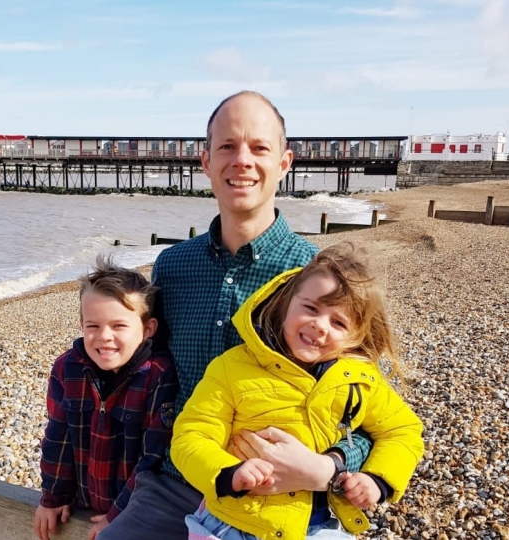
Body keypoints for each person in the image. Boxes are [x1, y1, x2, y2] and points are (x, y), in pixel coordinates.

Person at [97, 91, 374, 540]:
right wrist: (99, 492)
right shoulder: (173, 266)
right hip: (179, 481)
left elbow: (365, 408)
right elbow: (151, 382)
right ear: (205, 162)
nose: (241, 160)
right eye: (227, 146)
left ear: (285, 163)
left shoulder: (316, 280)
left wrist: (327, 468)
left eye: (259, 147)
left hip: (279, 495)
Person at [172, 242, 425, 539]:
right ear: (286, 303)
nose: (319, 325)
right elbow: (191, 434)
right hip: (236, 522)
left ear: (357, 334)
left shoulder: (360, 379)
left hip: (317, 524)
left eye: (338, 322)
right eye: (311, 308)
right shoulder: (232, 367)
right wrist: (228, 472)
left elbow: (403, 431)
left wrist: (377, 479)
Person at [34, 256, 178, 540]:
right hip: (83, 501)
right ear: (81, 324)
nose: (104, 337)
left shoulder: (158, 376)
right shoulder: (68, 368)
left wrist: (120, 513)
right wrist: (53, 496)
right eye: (93, 326)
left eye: (119, 326)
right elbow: (57, 438)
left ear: (148, 329)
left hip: (130, 509)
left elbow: (153, 458)